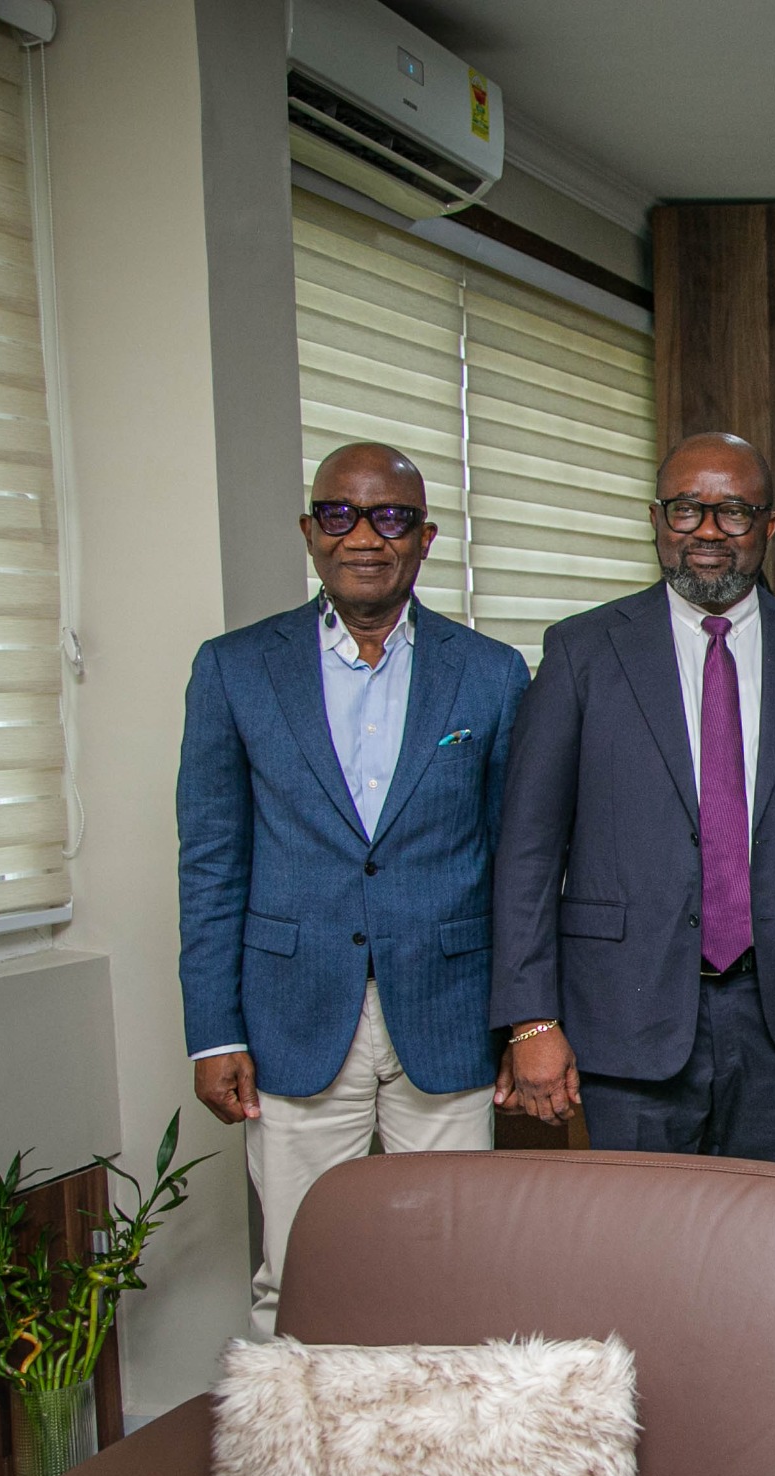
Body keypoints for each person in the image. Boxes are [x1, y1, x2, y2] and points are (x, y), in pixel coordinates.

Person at [178, 442, 529, 1335]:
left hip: (446, 1015)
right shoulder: (234, 668)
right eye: (340, 514)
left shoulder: (490, 673)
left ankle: (437, 1468)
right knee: (296, 1275)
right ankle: (299, 1473)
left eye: (392, 517)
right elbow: (212, 859)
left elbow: (514, 860)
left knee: (457, 1275)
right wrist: (213, 1030)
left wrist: (525, 1016)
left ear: (425, 538)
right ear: (310, 532)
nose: (364, 536)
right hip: (292, 1015)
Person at [490, 432, 775, 1164]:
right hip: (622, 1011)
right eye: (685, 510)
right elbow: (529, 847)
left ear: (770, 527)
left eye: (733, 512)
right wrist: (531, 1020)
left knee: (762, 1244)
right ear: (655, 519)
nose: (706, 531)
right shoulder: (582, 652)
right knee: (640, 1255)